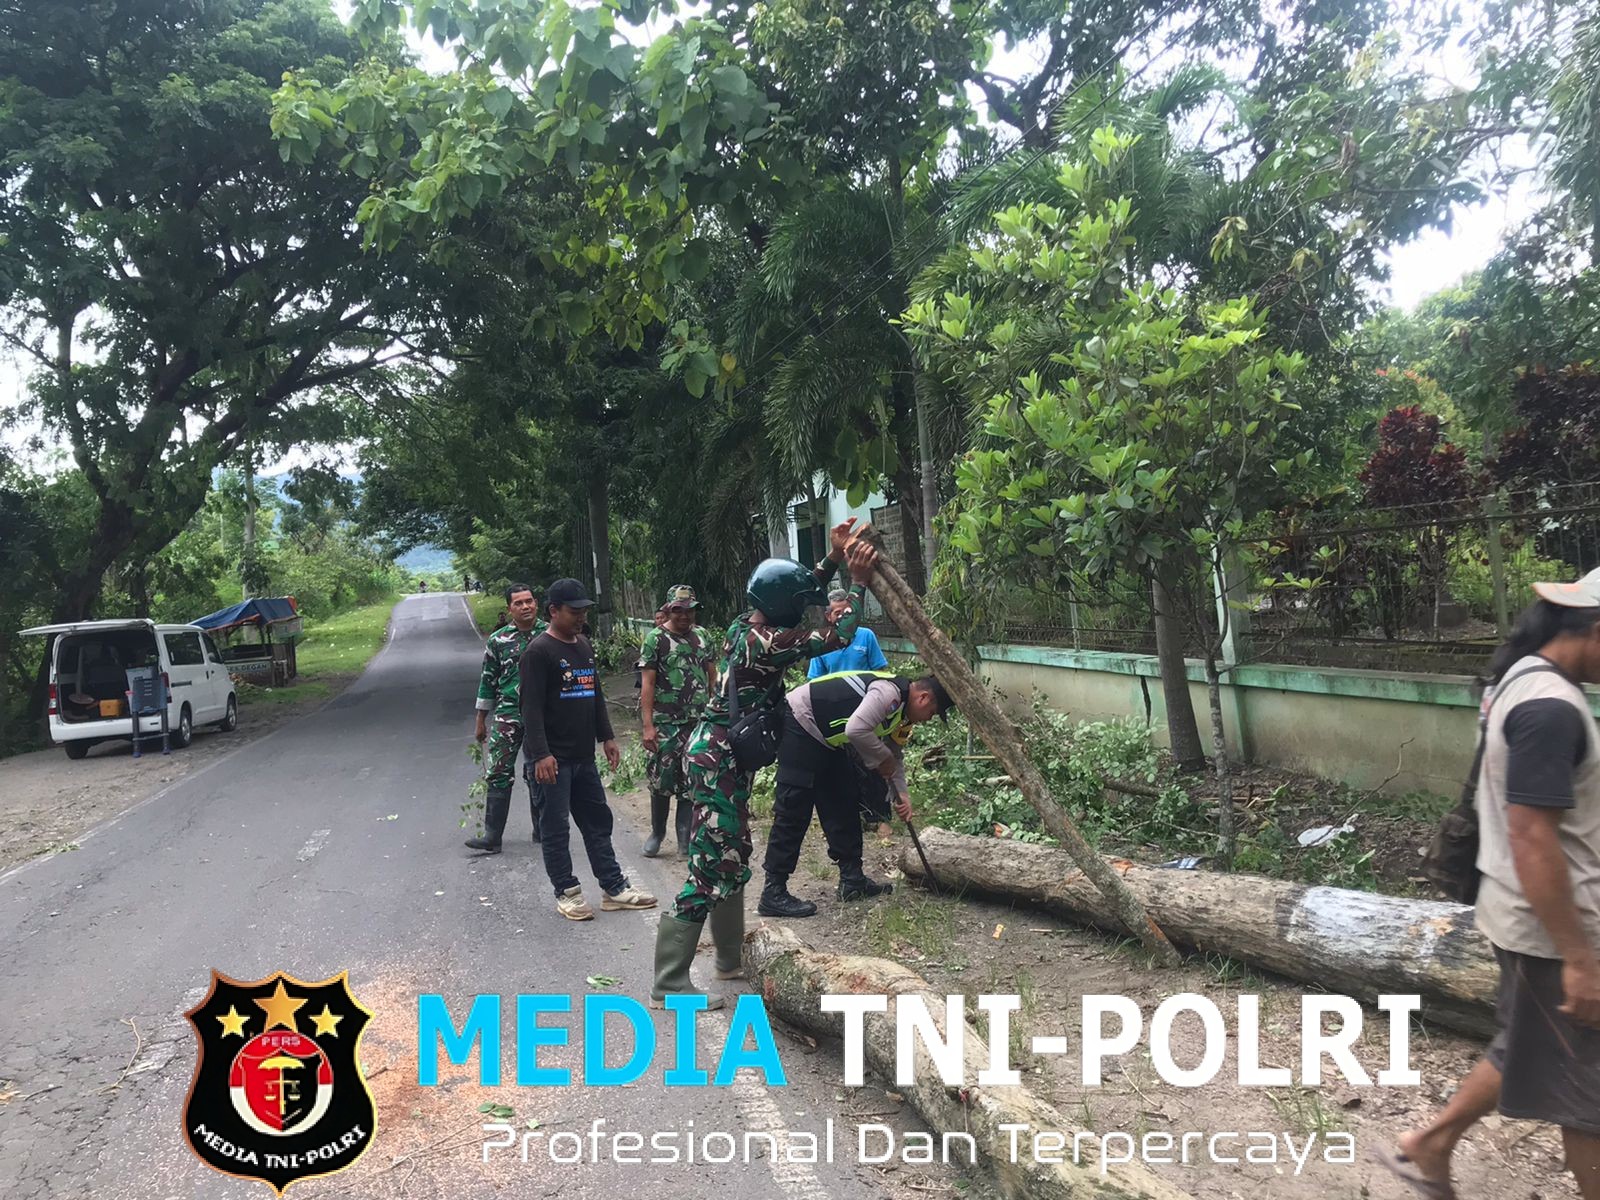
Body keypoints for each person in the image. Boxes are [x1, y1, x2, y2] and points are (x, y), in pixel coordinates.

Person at [1381, 572, 1600, 1200]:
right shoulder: (1550, 709)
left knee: (1527, 1043)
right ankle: (1431, 1142)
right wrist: (1580, 958)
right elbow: (1532, 837)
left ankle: (1431, 1142)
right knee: (1588, 1095)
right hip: (1553, 928)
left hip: (1525, 911)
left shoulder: (1523, 677)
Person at [650, 520, 878, 1009]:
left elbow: (794, 590)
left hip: (719, 755)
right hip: (716, 760)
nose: (802, 606)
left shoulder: (744, 625)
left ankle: (728, 960)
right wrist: (857, 581)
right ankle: (668, 982)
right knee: (712, 864)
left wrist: (833, 557)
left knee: (733, 856)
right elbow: (840, 635)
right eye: (796, 603)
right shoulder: (769, 642)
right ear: (781, 606)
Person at [759, 668, 954, 917]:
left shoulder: (904, 717)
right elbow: (856, 729)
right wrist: (882, 758)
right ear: (923, 698)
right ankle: (773, 891)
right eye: (932, 713)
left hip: (829, 739)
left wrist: (902, 795)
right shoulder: (888, 694)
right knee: (794, 807)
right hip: (801, 720)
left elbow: (895, 754)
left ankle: (852, 880)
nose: (928, 719)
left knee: (843, 800)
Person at [520, 578, 656, 921]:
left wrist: (607, 737)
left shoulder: (583, 645)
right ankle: (567, 892)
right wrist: (540, 754)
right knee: (556, 829)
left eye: (584, 611)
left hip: (583, 756)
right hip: (552, 760)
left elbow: (595, 694)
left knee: (597, 822)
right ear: (553, 611)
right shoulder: (538, 652)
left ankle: (614, 888)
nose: (581, 617)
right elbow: (530, 709)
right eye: (574, 611)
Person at [466, 583, 548, 853]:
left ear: (536, 603)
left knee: (540, 770)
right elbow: (488, 681)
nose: (525, 607)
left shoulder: (550, 634)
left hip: (544, 714)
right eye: (518, 603)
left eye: (529, 601)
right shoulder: (498, 640)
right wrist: (480, 720)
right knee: (498, 770)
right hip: (508, 713)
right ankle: (492, 836)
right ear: (509, 609)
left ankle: (543, 829)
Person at [638, 585, 717, 858]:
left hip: (697, 722)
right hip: (666, 723)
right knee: (661, 779)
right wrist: (648, 726)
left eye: (689, 610)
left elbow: (712, 676)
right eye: (678, 610)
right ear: (668, 609)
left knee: (690, 780)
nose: (684, 616)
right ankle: (657, 833)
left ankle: (685, 837)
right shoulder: (656, 639)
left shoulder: (703, 636)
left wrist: (717, 712)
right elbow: (647, 684)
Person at [806, 588, 889, 679]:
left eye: (846, 612)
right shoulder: (819, 642)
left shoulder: (866, 636)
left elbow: (879, 670)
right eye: (837, 613)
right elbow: (815, 680)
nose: (843, 617)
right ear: (828, 616)